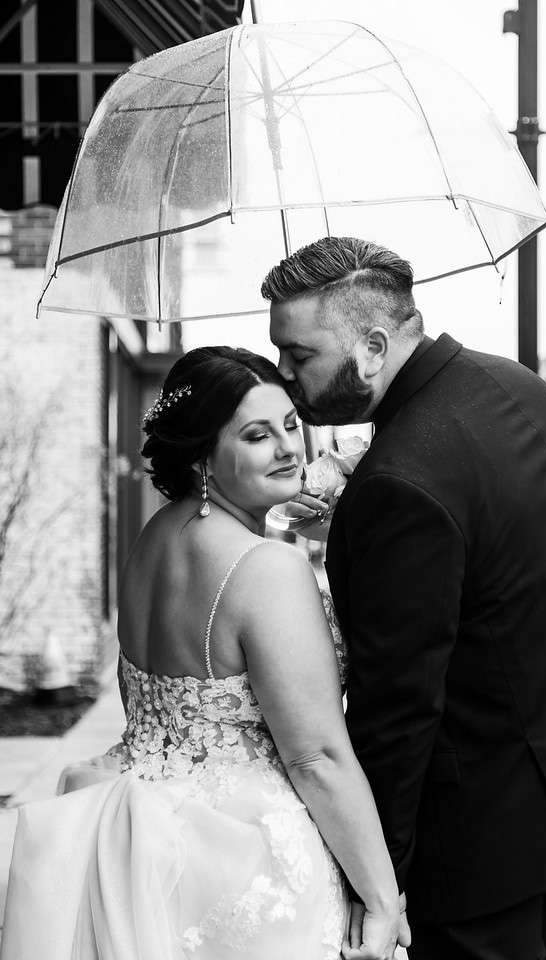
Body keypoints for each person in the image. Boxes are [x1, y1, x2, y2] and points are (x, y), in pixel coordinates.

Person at [263, 236, 546, 960]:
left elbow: (397, 710)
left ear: (372, 346)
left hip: (493, 851)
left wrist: (378, 881)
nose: (284, 373)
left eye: (298, 354)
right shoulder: (513, 384)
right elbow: (500, 559)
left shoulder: (401, 478)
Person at [0, 346, 406, 960]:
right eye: (257, 435)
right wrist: (380, 896)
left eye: (291, 424)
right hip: (245, 866)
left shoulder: (153, 539)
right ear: (203, 459)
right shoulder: (268, 569)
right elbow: (316, 755)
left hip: (141, 856)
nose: (290, 448)